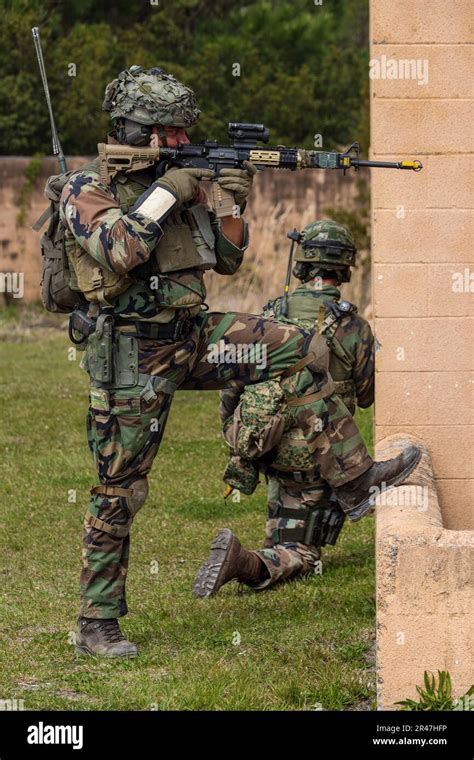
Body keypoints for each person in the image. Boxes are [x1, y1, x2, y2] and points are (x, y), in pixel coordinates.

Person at [60, 66, 419, 657]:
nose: (180, 144)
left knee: (300, 346)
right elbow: (119, 249)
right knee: (119, 491)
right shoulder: (85, 188)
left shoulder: (175, 183)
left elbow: (226, 259)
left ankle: (354, 484)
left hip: (193, 336)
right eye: (171, 134)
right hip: (132, 354)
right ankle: (95, 624)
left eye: (183, 135)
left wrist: (228, 200)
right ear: (139, 130)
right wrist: (172, 189)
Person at [194, 220, 376, 596]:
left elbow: (235, 382)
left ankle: (266, 547)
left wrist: (237, 433)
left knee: (286, 522)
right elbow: (368, 393)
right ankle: (243, 561)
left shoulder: (269, 315)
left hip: (269, 443)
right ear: (343, 268)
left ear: (303, 264)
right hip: (322, 452)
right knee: (303, 553)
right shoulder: (355, 327)